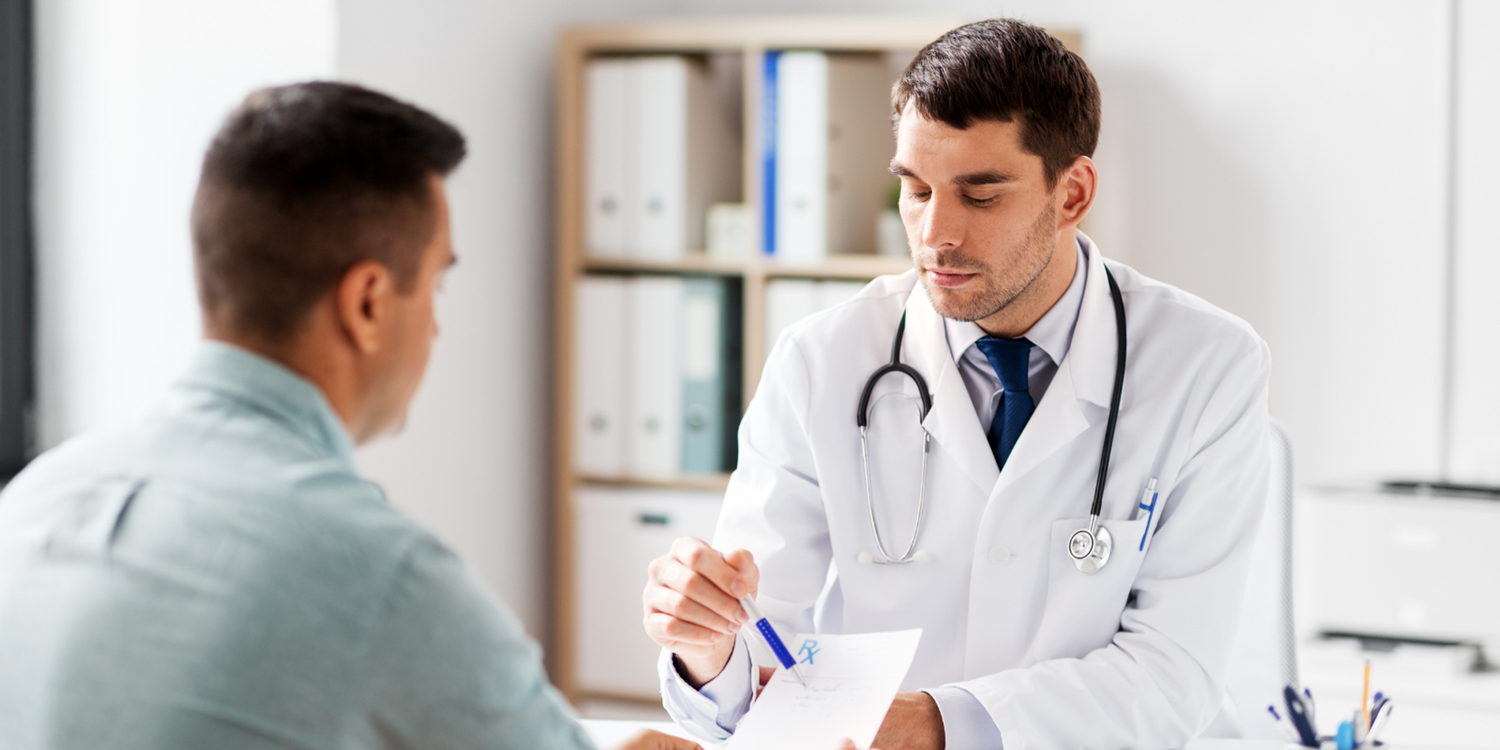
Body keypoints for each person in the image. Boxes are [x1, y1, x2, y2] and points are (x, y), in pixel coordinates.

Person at [0, 82, 694, 750]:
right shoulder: (383, 578)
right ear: (367, 303)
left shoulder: (32, 505)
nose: (435, 329)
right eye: (435, 286)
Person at [643, 18, 1273, 750]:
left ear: (1072, 194)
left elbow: (1171, 675)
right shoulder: (820, 361)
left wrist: (939, 723)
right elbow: (758, 656)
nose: (934, 234)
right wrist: (707, 648)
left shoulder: (1208, 365)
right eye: (915, 190)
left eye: (979, 195)